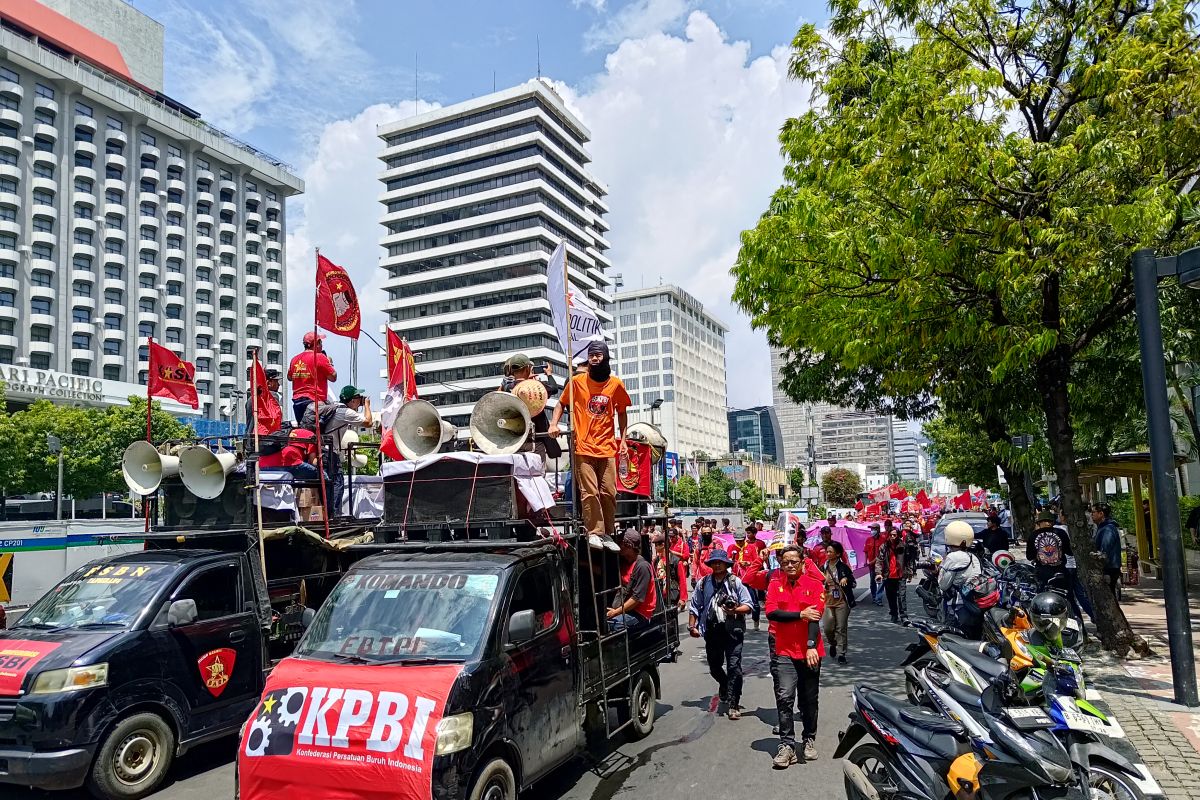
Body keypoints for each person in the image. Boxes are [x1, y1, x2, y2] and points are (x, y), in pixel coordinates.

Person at [549, 341, 630, 551]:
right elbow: (561, 403)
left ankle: (608, 533)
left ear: (605, 357)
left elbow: (622, 411)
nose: (594, 358)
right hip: (583, 447)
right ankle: (594, 531)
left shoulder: (615, 384)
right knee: (590, 492)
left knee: (609, 492)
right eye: (591, 355)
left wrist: (624, 440)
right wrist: (553, 423)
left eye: (598, 355)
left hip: (608, 447)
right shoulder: (576, 382)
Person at [766, 544, 826, 767]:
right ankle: (787, 745)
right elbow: (772, 613)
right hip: (784, 651)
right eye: (785, 562)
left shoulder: (815, 584)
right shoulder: (774, 585)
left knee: (809, 699)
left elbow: (815, 617)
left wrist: (811, 645)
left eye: (794, 561)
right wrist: (800, 613)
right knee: (784, 697)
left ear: (803, 563)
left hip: (810, 652)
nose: (789, 565)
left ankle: (809, 739)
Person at [687, 549, 753, 719]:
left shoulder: (735, 582)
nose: (717, 565)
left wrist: (734, 610)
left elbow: (748, 605)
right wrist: (692, 626)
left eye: (720, 562)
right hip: (712, 631)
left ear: (726, 564)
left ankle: (734, 703)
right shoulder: (703, 583)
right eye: (714, 562)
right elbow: (695, 605)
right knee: (715, 667)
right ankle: (724, 684)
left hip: (733, 631)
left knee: (734, 667)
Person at [301, 385, 373, 515]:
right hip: (330, 454)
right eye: (358, 398)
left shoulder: (334, 407)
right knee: (337, 485)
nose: (360, 400)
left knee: (327, 486)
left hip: (321, 451)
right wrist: (367, 405)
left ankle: (327, 516)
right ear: (352, 400)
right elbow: (368, 422)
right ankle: (334, 518)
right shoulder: (345, 412)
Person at [500, 353, 561, 459]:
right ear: (528, 368)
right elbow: (554, 388)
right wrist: (549, 374)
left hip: (516, 439)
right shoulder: (536, 386)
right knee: (537, 473)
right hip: (536, 439)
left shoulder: (507, 388)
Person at [937, 520, 984, 638]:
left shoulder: (953, 557)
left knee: (952, 639)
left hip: (958, 606)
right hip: (974, 605)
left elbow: (943, 585)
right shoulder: (974, 557)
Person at [607, 531, 657, 631]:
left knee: (612, 625)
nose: (619, 545)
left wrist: (616, 612)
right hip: (625, 608)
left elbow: (636, 599)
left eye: (621, 543)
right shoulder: (625, 563)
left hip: (640, 613)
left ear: (629, 546)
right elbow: (606, 572)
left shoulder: (642, 567)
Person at [287, 331, 336, 423]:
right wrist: (329, 364)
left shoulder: (294, 359)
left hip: (297, 402)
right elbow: (333, 377)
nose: (322, 345)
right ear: (316, 344)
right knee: (336, 410)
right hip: (314, 401)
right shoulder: (319, 357)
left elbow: (289, 377)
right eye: (321, 342)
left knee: (304, 431)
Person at [821, 541, 855, 664]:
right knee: (828, 628)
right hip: (827, 601)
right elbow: (816, 580)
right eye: (827, 551)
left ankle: (842, 653)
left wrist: (846, 578)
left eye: (830, 552)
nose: (827, 554)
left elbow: (853, 582)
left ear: (838, 554)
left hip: (841, 601)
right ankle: (832, 643)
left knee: (841, 628)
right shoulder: (823, 567)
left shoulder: (844, 567)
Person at [730, 526, 762, 630]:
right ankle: (739, 620)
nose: (739, 543)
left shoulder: (752, 547)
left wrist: (748, 563)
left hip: (749, 579)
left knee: (754, 602)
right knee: (735, 601)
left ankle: (756, 619)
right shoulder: (731, 548)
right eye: (737, 541)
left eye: (741, 541)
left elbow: (757, 562)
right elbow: (727, 561)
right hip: (735, 578)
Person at [877, 526, 907, 624]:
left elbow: (909, 560)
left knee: (901, 596)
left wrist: (910, 572)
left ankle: (904, 616)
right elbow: (879, 560)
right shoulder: (884, 547)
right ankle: (894, 614)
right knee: (891, 596)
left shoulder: (903, 546)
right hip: (888, 576)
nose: (893, 537)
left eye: (895, 535)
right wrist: (878, 573)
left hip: (900, 575)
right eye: (891, 535)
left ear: (898, 535)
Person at [1091, 503, 1123, 597]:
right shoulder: (1103, 527)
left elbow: (1104, 550)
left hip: (1109, 568)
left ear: (1101, 513)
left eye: (1093, 512)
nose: (1092, 514)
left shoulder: (1107, 529)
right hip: (1108, 567)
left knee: (1108, 597)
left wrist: (1100, 562)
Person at [651, 532, 688, 611]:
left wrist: (683, 598)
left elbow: (682, 580)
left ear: (663, 545)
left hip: (672, 596)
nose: (656, 547)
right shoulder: (655, 561)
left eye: (657, 545)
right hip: (659, 596)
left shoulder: (676, 561)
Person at [246, 367, 283, 436]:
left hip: (250, 436)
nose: (278, 384)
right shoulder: (271, 396)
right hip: (265, 437)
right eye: (276, 381)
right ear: (269, 383)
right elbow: (275, 416)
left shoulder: (252, 398)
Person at [864, 523, 885, 606]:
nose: (872, 531)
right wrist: (865, 561)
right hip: (871, 565)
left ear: (878, 530)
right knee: (872, 582)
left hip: (880, 565)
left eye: (874, 529)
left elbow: (881, 554)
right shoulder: (868, 539)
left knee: (880, 581)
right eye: (871, 529)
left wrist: (872, 561)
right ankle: (874, 597)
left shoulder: (883, 540)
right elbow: (865, 551)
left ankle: (878, 599)